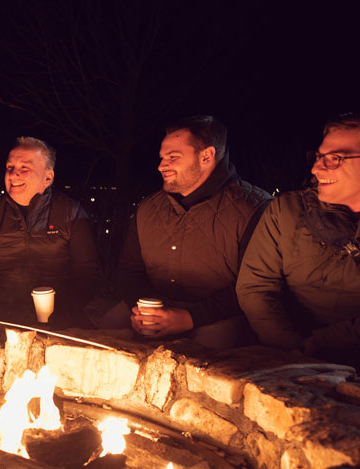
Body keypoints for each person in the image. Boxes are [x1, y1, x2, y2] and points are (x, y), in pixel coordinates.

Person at [237, 108, 360, 375]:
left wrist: (323, 342)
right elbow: (256, 285)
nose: (317, 169)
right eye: (318, 157)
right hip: (289, 354)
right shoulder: (288, 211)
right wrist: (289, 347)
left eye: (335, 158)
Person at [115, 115, 270, 349]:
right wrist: (143, 310)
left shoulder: (253, 209)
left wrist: (189, 318)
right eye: (162, 157)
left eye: (173, 157)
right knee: (103, 332)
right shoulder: (149, 208)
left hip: (221, 317)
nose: (161, 165)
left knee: (203, 353)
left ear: (206, 156)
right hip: (154, 308)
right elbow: (129, 271)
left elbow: (257, 286)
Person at [0, 137, 103, 325]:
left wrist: (68, 311)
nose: (13, 175)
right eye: (9, 167)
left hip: (55, 325)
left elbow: (87, 274)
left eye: (24, 168)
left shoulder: (71, 213)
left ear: (48, 177)